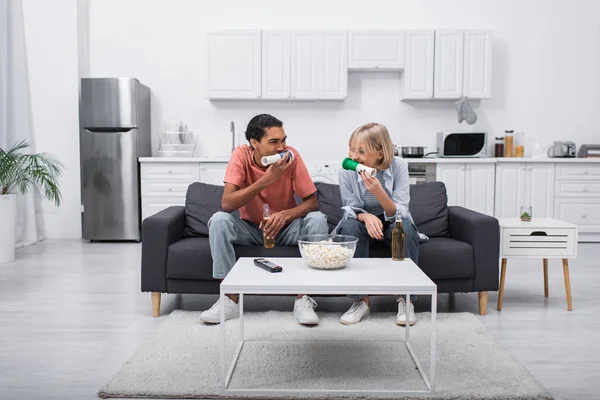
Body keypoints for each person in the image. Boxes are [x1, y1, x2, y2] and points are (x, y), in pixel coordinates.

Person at [200, 114, 329, 325]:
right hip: (251, 229)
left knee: (318, 219)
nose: (281, 147)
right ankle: (229, 299)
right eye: (274, 142)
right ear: (254, 143)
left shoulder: (290, 157)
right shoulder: (241, 155)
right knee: (219, 220)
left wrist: (286, 214)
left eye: (283, 140)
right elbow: (227, 204)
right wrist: (266, 180)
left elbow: (312, 202)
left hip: (286, 230)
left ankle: (304, 298)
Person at [337, 122, 420, 326]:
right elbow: (350, 208)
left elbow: (400, 210)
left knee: (406, 229)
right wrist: (366, 217)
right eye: (352, 148)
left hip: (393, 220)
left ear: (380, 153)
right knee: (348, 228)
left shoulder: (399, 165)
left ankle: (406, 299)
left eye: (361, 151)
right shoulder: (347, 170)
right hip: (363, 221)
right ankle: (361, 301)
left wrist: (378, 192)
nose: (354, 156)